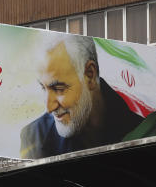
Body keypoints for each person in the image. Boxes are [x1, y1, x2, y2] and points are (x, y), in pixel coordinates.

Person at [19, 35, 149, 159]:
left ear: (90, 75)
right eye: (43, 87)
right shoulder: (33, 139)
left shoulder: (143, 133)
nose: (49, 108)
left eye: (59, 89)